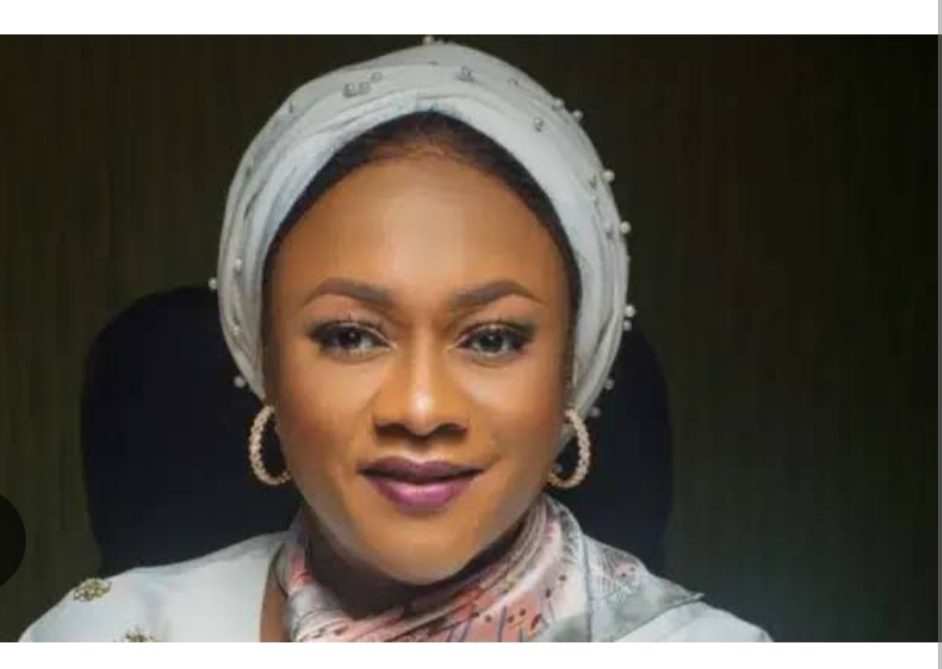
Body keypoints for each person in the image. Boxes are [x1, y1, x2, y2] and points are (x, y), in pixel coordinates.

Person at [20, 38, 771, 642]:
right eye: (351, 335)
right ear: (266, 363)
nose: (420, 407)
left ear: (571, 369)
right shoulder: (101, 637)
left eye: (492, 339)